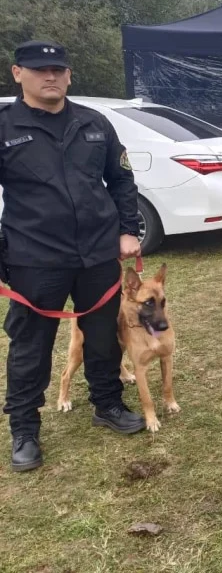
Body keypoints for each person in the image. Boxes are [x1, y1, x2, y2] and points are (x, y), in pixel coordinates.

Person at [0, 40, 145, 472]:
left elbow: (121, 180)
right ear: (17, 73)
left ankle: (107, 404)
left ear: (68, 75)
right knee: (31, 344)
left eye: (58, 69)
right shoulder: (5, 127)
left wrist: (127, 230)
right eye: (39, 69)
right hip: (35, 256)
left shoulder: (93, 122)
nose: (50, 76)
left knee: (102, 335)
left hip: (98, 253)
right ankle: (25, 429)